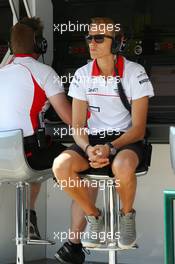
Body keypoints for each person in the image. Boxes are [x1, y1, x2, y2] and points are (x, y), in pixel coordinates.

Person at [53, 17, 154, 264]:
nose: (92, 43)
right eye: (89, 37)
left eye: (99, 38)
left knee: (121, 166)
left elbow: (139, 129)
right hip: (93, 143)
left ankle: (127, 215)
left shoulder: (134, 72)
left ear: (117, 43)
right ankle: (94, 216)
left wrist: (110, 148)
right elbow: (77, 126)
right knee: (60, 167)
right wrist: (88, 148)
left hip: (125, 140)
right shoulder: (82, 74)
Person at [0, 17, 72, 240]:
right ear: (40, 45)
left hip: (4, 158)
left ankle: (29, 217)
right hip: (27, 157)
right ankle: (84, 229)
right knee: (71, 158)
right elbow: (70, 119)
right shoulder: (44, 72)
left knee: (35, 153)